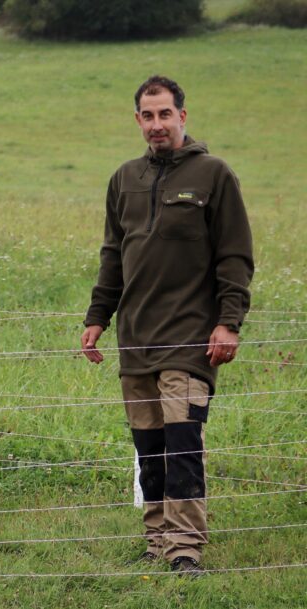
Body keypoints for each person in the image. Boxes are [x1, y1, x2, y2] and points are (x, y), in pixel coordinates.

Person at [80, 76, 254, 576]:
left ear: (183, 116)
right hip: (135, 339)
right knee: (149, 450)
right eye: (147, 115)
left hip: (191, 340)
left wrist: (229, 322)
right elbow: (113, 255)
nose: (157, 124)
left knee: (182, 444)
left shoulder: (214, 175)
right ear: (138, 120)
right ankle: (156, 540)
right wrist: (98, 317)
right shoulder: (123, 178)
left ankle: (185, 548)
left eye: (165, 114)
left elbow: (235, 256)